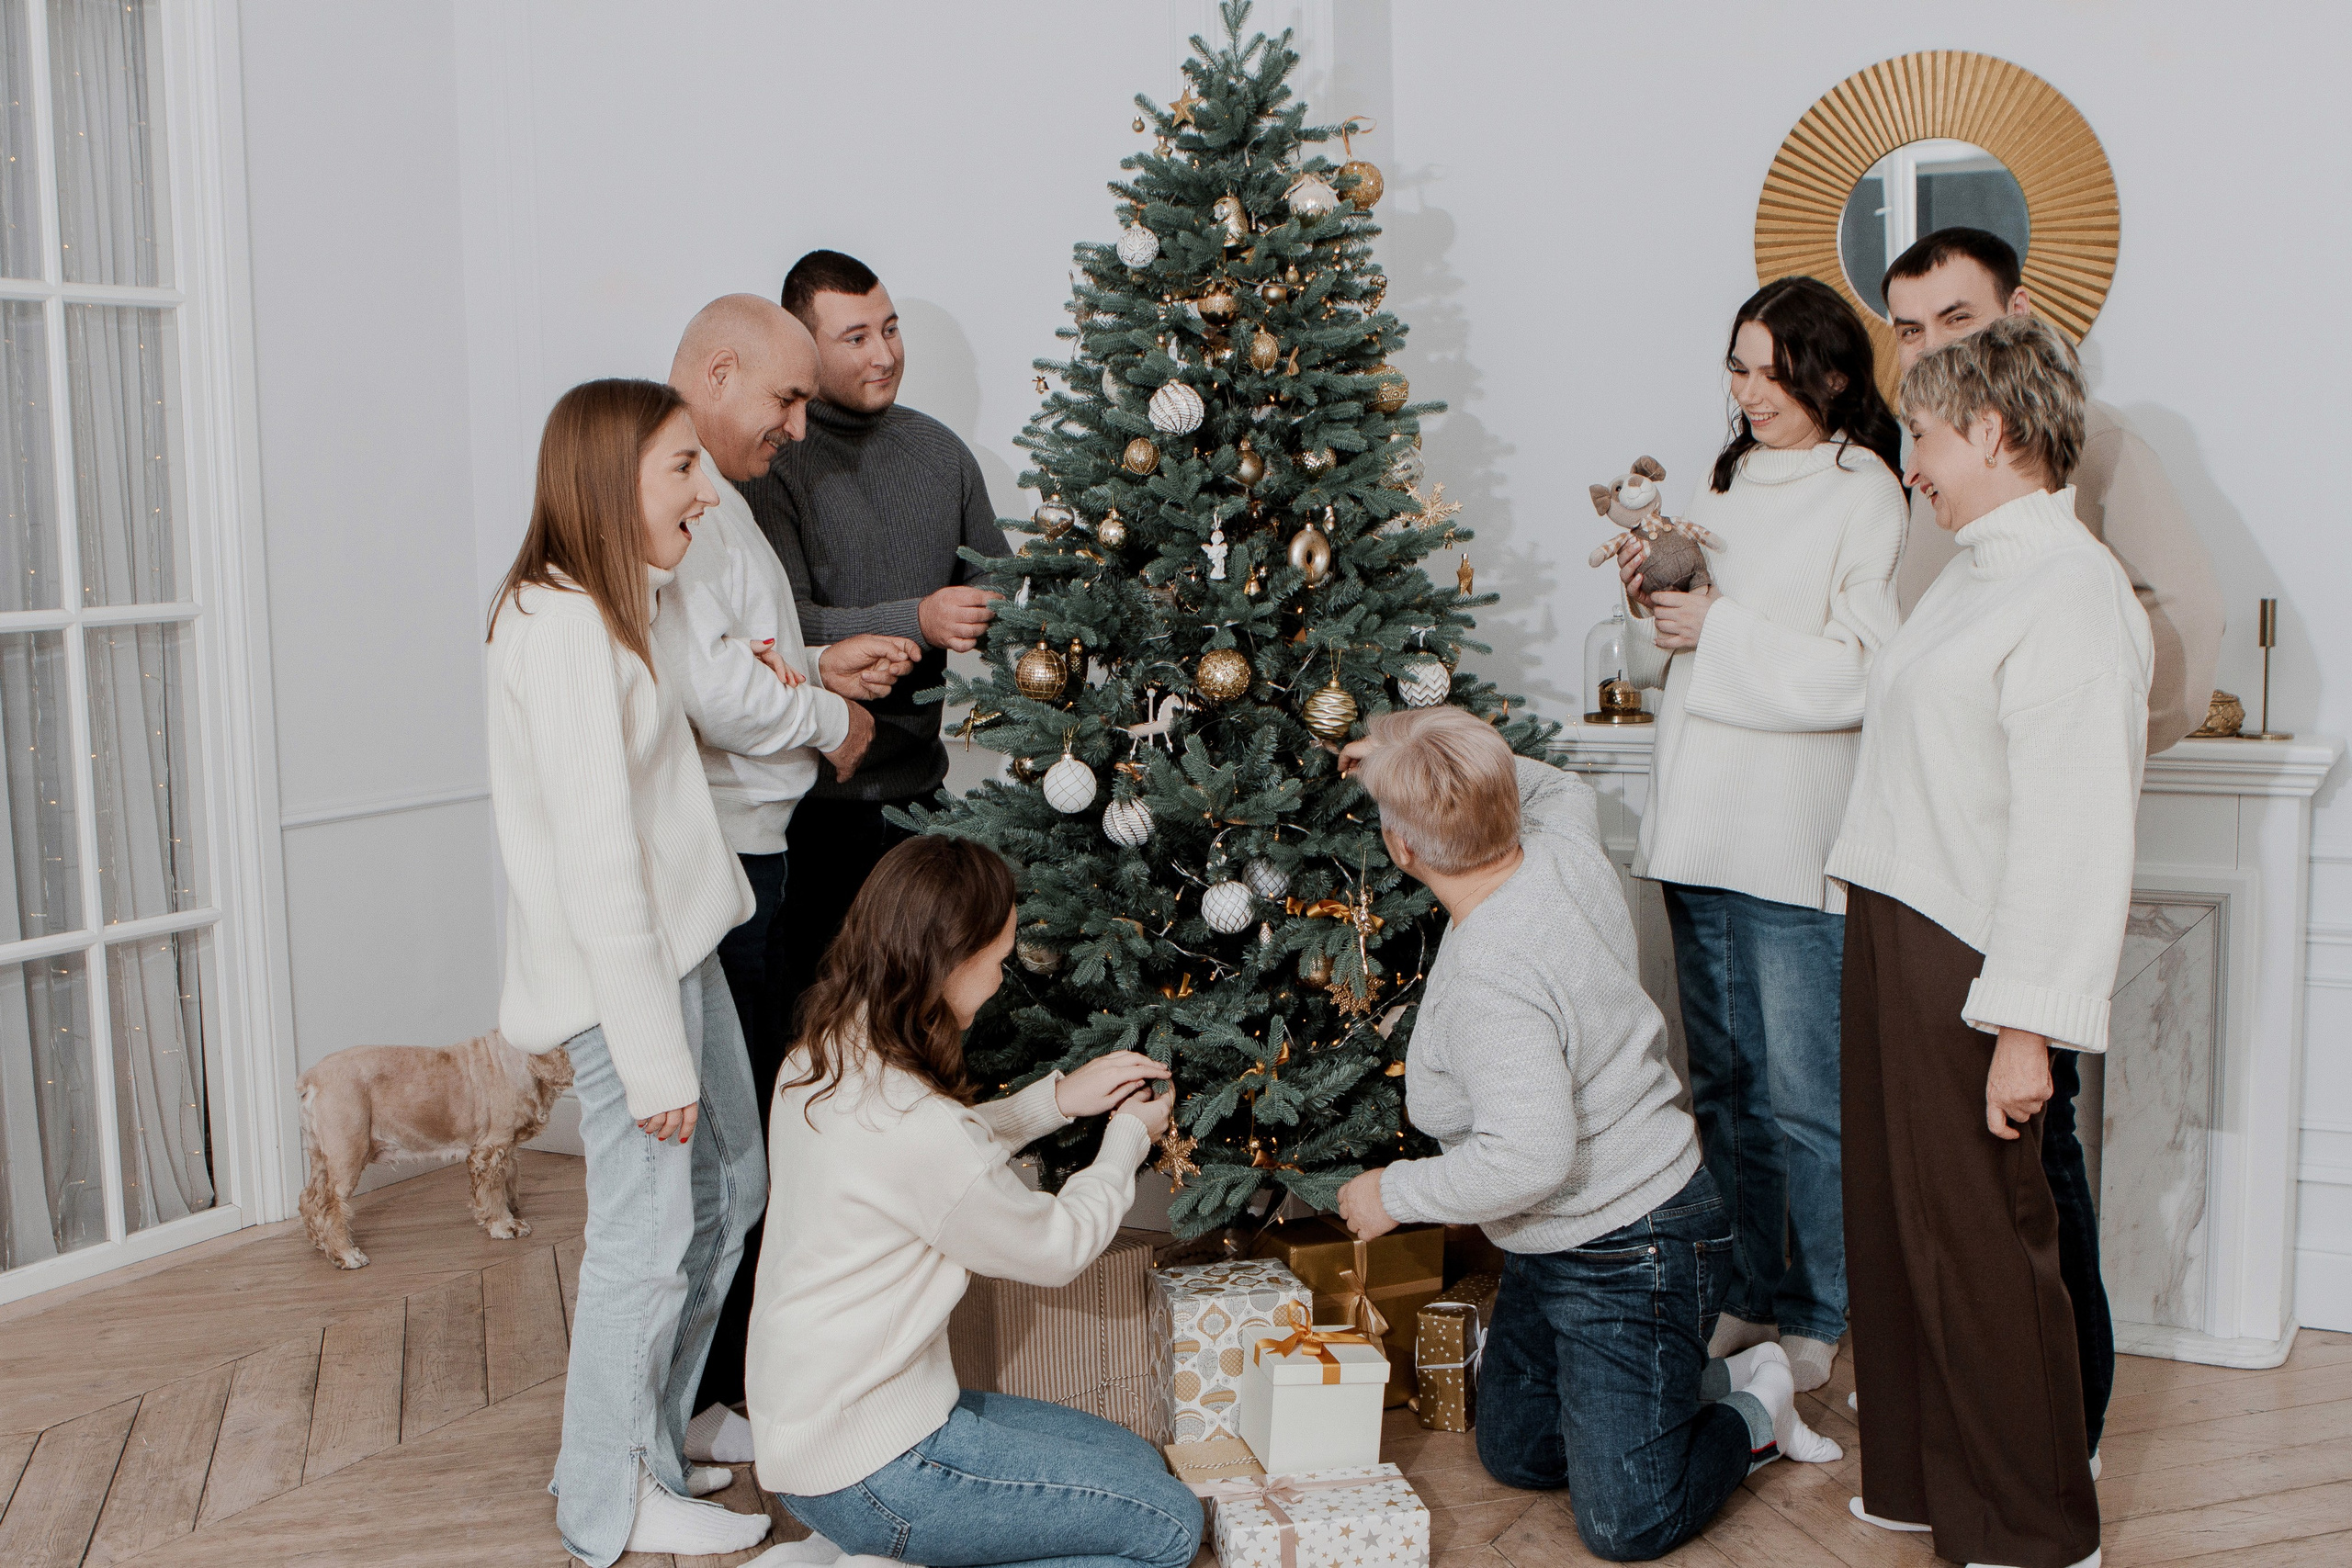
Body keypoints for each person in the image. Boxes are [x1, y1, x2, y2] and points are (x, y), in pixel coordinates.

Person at [1329, 708, 1839, 1564]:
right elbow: (1552, 782)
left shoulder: (1494, 974)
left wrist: (1394, 1193)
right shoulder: (1559, 841)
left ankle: (1759, 1410)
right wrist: (1412, 750)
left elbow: (1530, 1155)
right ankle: (1699, 1383)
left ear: (1401, 847)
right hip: (1555, 1237)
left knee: (1627, 1523)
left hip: (1634, 1243)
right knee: (1521, 1451)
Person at [1883, 228, 2223, 1462]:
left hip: (2016, 869)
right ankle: (1985, 1430)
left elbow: (2178, 625)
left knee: (2033, 1166)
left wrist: (2074, 738)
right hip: (1939, 864)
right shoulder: (1935, 470)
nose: (1929, 345)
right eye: (1909, 329)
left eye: (1955, 318)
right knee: (1969, 1183)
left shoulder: (2091, 452)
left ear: (2016, 312)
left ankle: (2061, 1431)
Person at [1831, 313, 2143, 1568]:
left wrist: (2027, 1028)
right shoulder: (1972, 571)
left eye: (1921, 435)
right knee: (1899, 1226)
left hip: (1969, 955)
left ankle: (2032, 1526)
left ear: (1992, 430)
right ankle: (1923, 1481)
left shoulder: (2073, 593)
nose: (1909, 464)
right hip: (1896, 923)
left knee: (1982, 1241)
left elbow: (2075, 833)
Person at [484, 378, 772, 1564]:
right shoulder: (557, 630)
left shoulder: (620, 605)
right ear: (612, 483)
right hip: (624, 988)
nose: (708, 492)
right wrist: (652, 1057)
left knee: (735, 1186)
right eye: (682, 468)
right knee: (645, 1237)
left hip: (681, 950)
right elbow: (598, 864)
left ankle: (658, 1429)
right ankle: (606, 1497)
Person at [743, 835, 1200, 1568]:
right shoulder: (916, 1127)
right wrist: (1125, 1140)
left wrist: (1056, 1100)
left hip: (824, 1432)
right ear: (948, 962)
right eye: (997, 959)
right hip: (875, 1466)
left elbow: (931, 1161)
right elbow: (1055, 1246)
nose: (999, 978)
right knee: (1169, 1526)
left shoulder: (820, 1055)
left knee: (1137, 1463)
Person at [1613, 275, 1908, 1393]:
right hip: (1698, 828)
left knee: (1804, 1104)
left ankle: (1820, 1310)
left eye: (1772, 372)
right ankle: (1746, 1292)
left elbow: (1863, 676)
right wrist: (1652, 609)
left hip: (1792, 839)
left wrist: (1719, 625)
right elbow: (1672, 659)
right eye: (1737, 367)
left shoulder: (1865, 489)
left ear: (1828, 374)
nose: (1749, 391)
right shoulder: (1720, 481)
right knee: (1726, 1089)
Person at [650, 295, 924, 1451]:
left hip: (759, 856)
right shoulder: (676, 504)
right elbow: (711, 687)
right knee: (725, 1164)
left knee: (747, 1149)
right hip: (724, 871)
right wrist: (827, 718)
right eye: (786, 398)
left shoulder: (724, 504)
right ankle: (696, 1402)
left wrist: (819, 665)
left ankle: (718, 1390)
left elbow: (744, 656)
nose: (800, 428)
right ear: (717, 373)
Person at [742, 250, 1012, 1019]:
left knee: (926, 1019)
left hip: (921, 799)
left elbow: (999, 572)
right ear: (803, 346)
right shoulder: (772, 463)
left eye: (890, 329)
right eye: (856, 337)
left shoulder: (942, 452)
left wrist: (987, 605)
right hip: (808, 809)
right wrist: (918, 618)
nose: (885, 354)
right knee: (816, 1022)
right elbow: (779, 626)